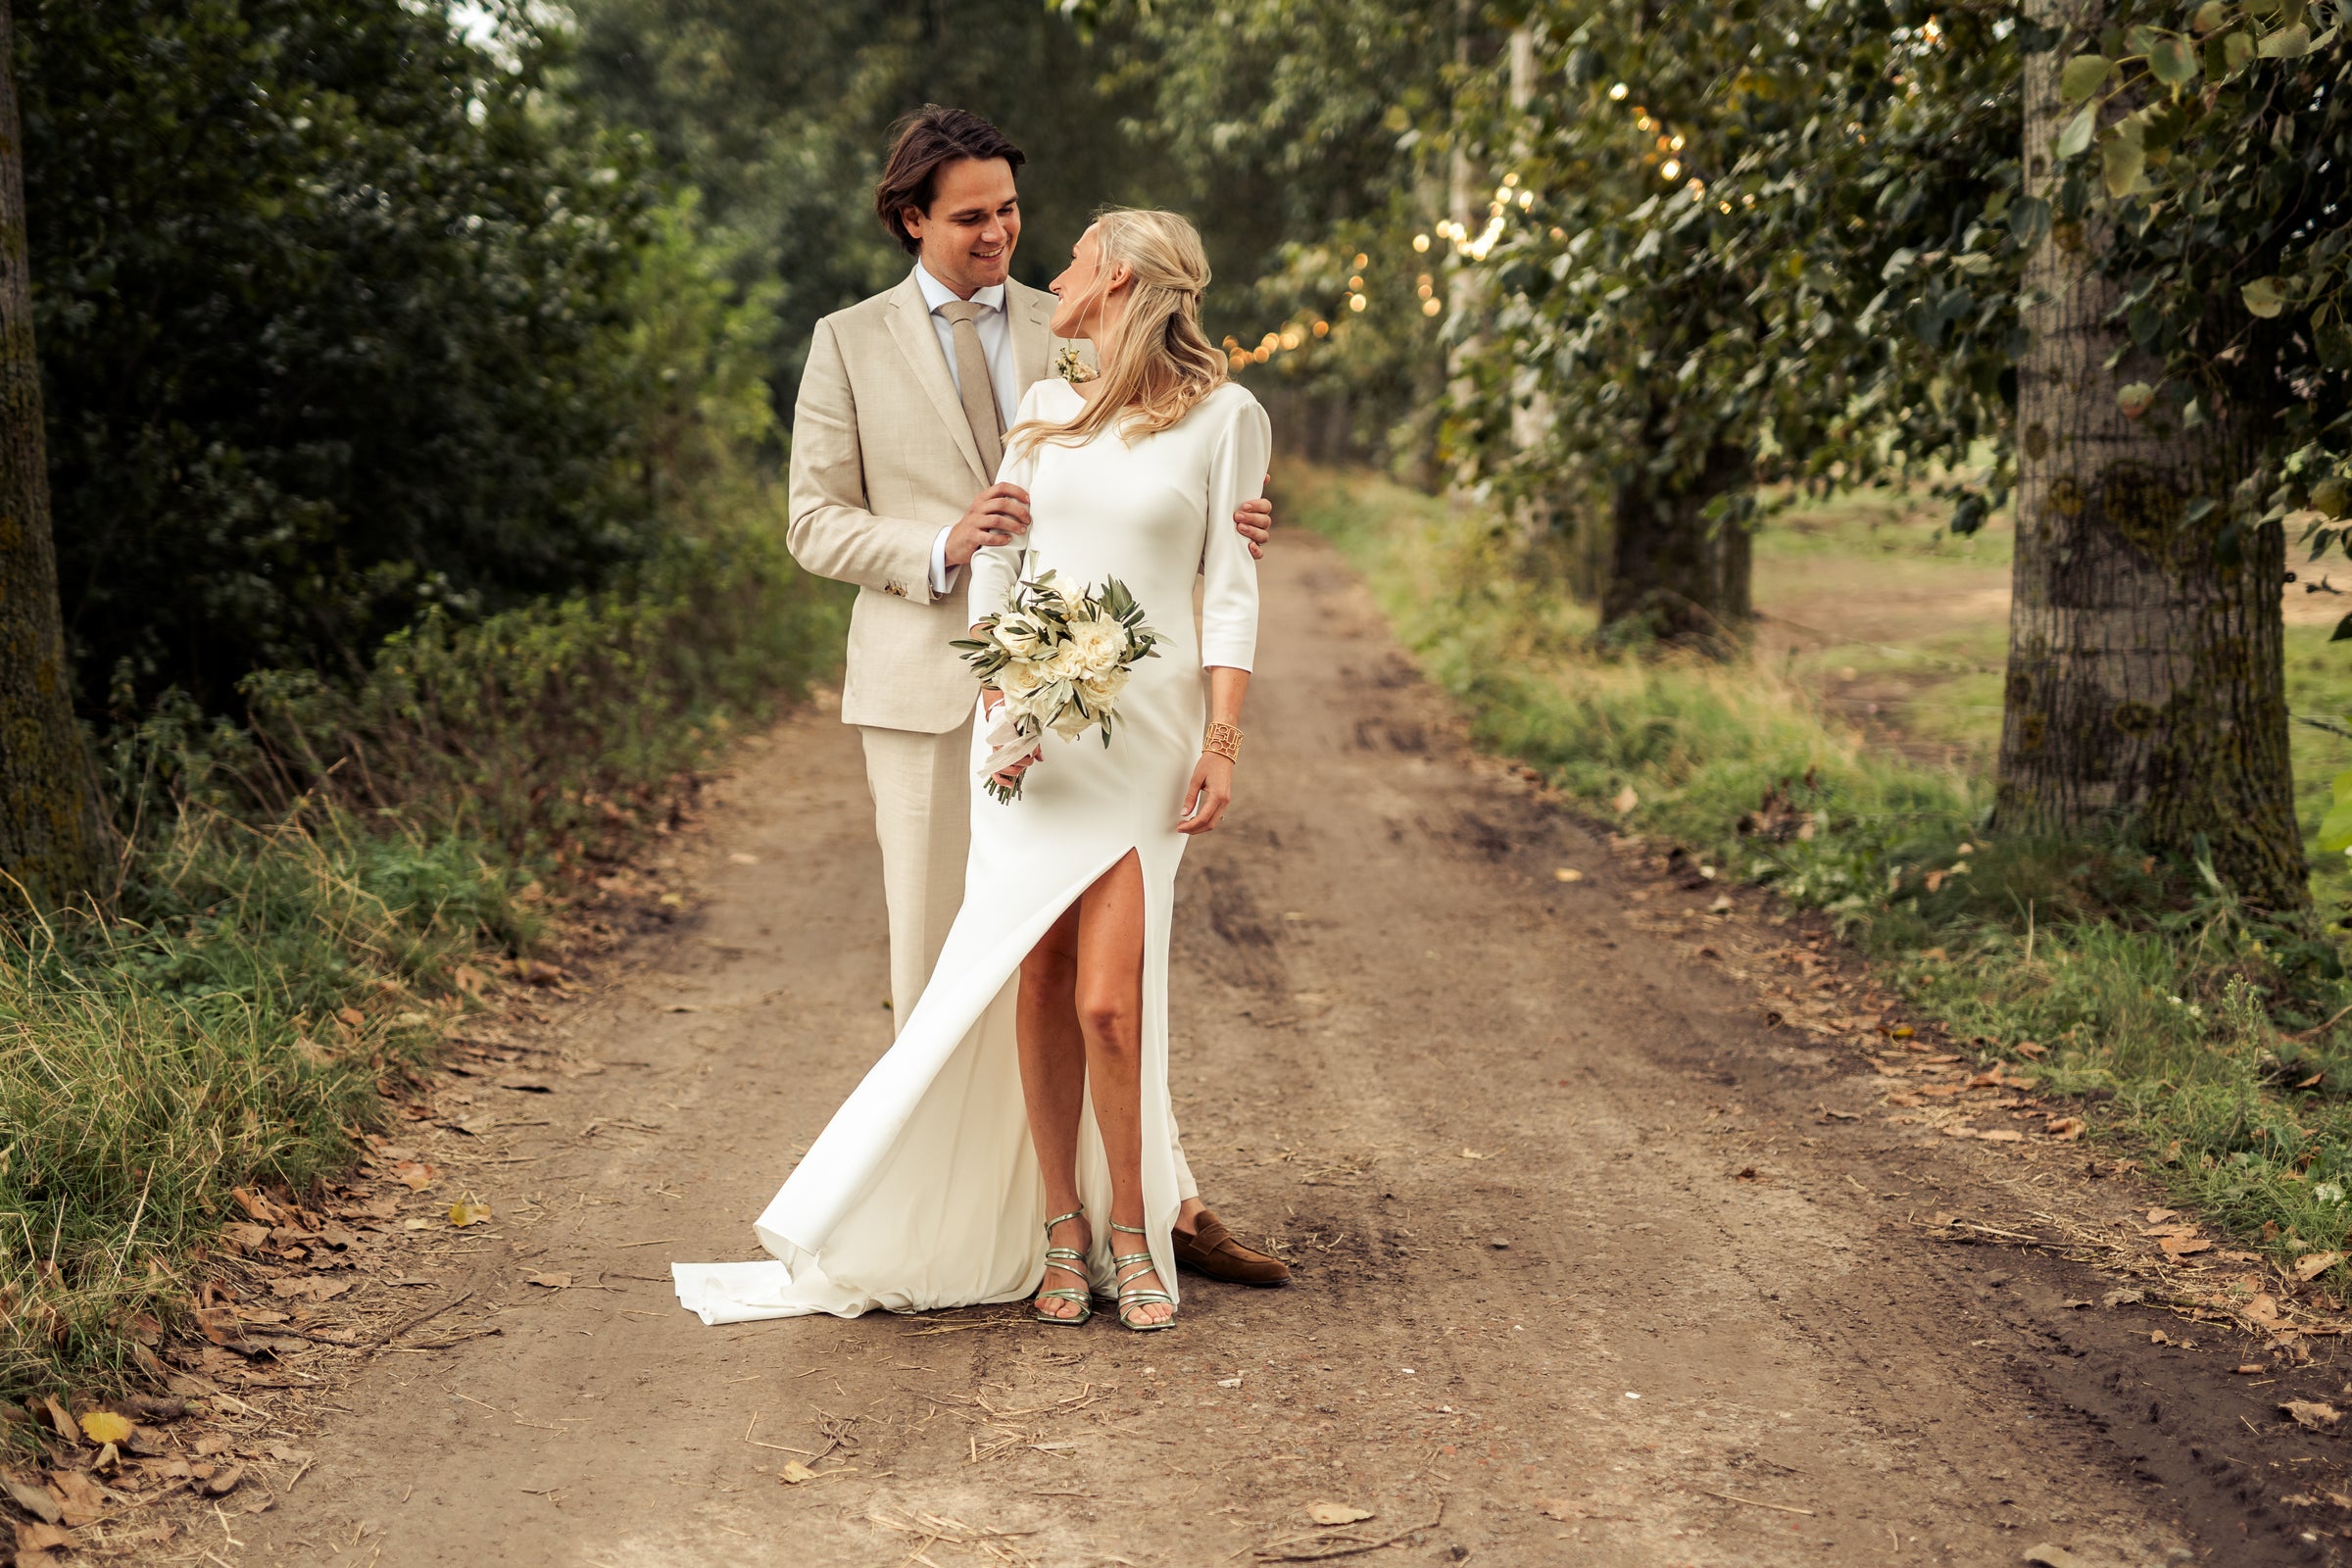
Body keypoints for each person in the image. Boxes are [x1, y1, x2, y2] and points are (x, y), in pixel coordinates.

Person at [672, 206, 1263, 1329]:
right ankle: (1060, 1229)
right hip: (1033, 730)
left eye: (1079, 253)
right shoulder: (1045, 406)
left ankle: (1138, 1228)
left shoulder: (1229, 418)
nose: (1054, 264)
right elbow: (1004, 558)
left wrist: (1222, 740)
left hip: (1144, 738)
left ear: (1125, 281)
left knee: (1110, 1003)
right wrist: (1004, 696)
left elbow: (1230, 591)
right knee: (1036, 979)